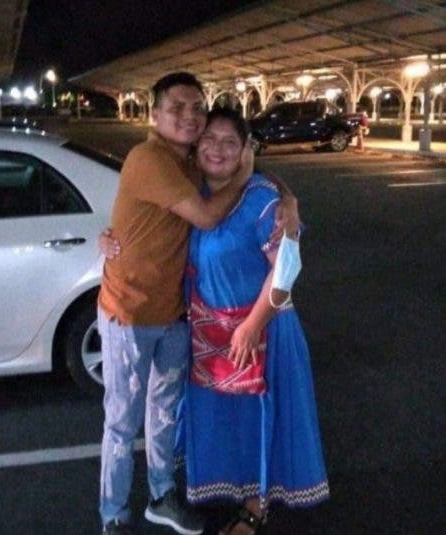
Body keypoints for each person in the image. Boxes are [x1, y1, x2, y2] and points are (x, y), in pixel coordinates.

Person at [98, 72, 261, 535]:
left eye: (197, 107)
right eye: (177, 108)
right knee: (122, 420)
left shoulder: (188, 160)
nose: (190, 116)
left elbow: (232, 178)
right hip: (129, 313)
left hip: (172, 313)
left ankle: (162, 496)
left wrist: (283, 195)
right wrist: (245, 175)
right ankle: (113, 514)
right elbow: (207, 216)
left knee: (165, 411)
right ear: (155, 115)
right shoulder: (148, 158)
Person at [178, 107, 329, 534]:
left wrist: (252, 325)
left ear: (246, 149)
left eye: (230, 141)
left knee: (261, 418)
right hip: (211, 333)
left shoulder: (264, 202)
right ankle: (237, 487)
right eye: (210, 139)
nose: (218, 149)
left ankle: (255, 507)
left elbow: (287, 270)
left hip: (262, 332)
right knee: (230, 421)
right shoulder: (194, 196)